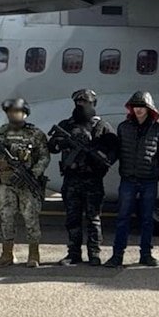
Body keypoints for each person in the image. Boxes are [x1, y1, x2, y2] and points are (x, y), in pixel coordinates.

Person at [47, 89, 117, 266]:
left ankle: (94, 253)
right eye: (78, 103)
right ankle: (73, 253)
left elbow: (114, 150)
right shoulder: (66, 125)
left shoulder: (101, 126)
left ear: (93, 104)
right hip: (71, 179)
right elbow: (52, 146)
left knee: (94, 219)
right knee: (72, 219)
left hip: (93, 180)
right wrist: (62, 142)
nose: (81, 105)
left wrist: (101, 161)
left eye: (85, 102)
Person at [106, 91, 159, 268]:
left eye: (142, 106)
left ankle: (146, 254)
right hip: (128, 179)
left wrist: (154, 170)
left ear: (149, 109)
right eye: (135, 106)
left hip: (149, 180)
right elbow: (118, 150)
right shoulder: (123, 128)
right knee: (122, 218)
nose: (138, 109)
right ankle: (117, 255)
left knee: (147, 219)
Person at [0, 98, 50, 268]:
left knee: (31, 218)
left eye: (17, 111)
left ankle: (34, 254)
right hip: (8, 184)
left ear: (25, 113)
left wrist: (33, 173)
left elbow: (44, 157)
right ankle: (7, 254)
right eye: (10, 111)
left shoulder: (35, 134)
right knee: (6, 217)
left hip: (28, 183)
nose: (13, 114)